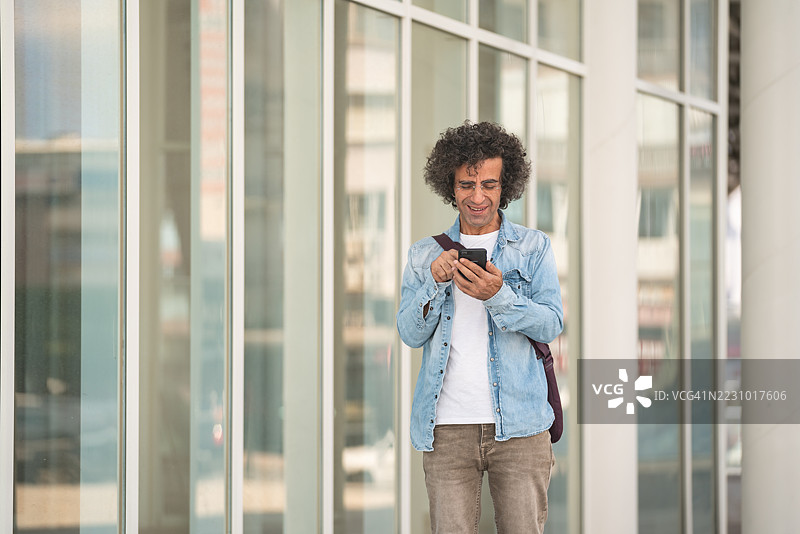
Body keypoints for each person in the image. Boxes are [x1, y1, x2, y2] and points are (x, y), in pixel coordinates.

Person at [396, 121, 563, 533]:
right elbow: (410, 334)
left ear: (504, 187)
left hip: (521, 426)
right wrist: (434, 283)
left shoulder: (533, 247)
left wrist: (499, 295)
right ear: (450, 187)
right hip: (447, 429)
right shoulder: (424, 255)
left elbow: (551, 324)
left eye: (489, 184)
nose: (477, 196)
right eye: (466, 185)